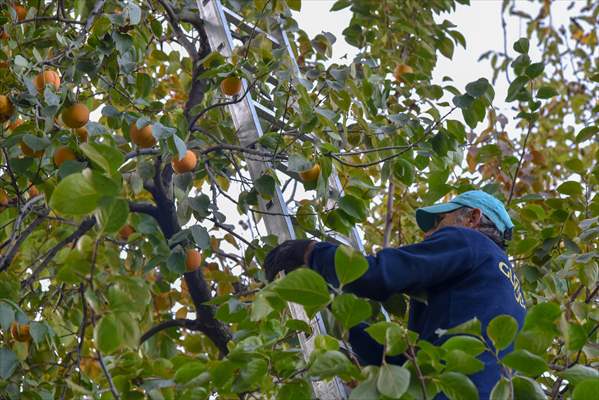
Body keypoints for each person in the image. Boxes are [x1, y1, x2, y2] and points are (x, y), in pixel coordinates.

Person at [264, 190, 527, 399]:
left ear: (473, 218)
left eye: (439, 223)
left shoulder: (471, 243)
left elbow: (379, 276)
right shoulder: (510, 294)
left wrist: (309, 252)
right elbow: (402, 364)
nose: (428, 233)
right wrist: (337, 309)